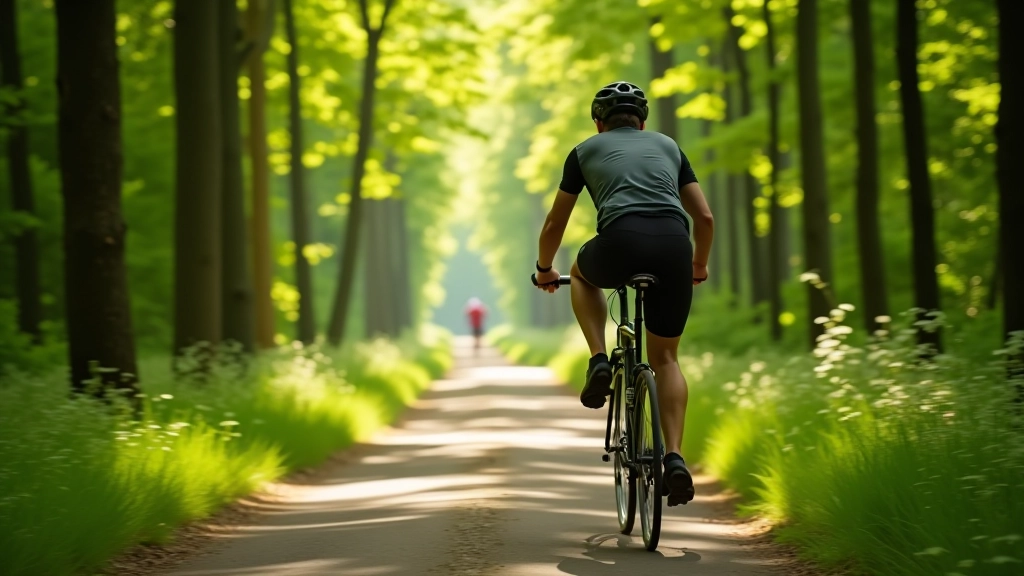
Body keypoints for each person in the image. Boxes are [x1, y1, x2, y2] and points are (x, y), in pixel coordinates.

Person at [533, 81, 714, 507]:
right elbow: (704, 216)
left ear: (599, 123)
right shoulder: (669, 146)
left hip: (619, 242)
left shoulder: (583, 151)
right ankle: (674, 457)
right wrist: (699, 264)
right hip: (674, 245)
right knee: (666, 358)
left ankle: (598, 358)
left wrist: (544, 269)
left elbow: (554, 224)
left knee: (580, 273)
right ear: (643, 121)